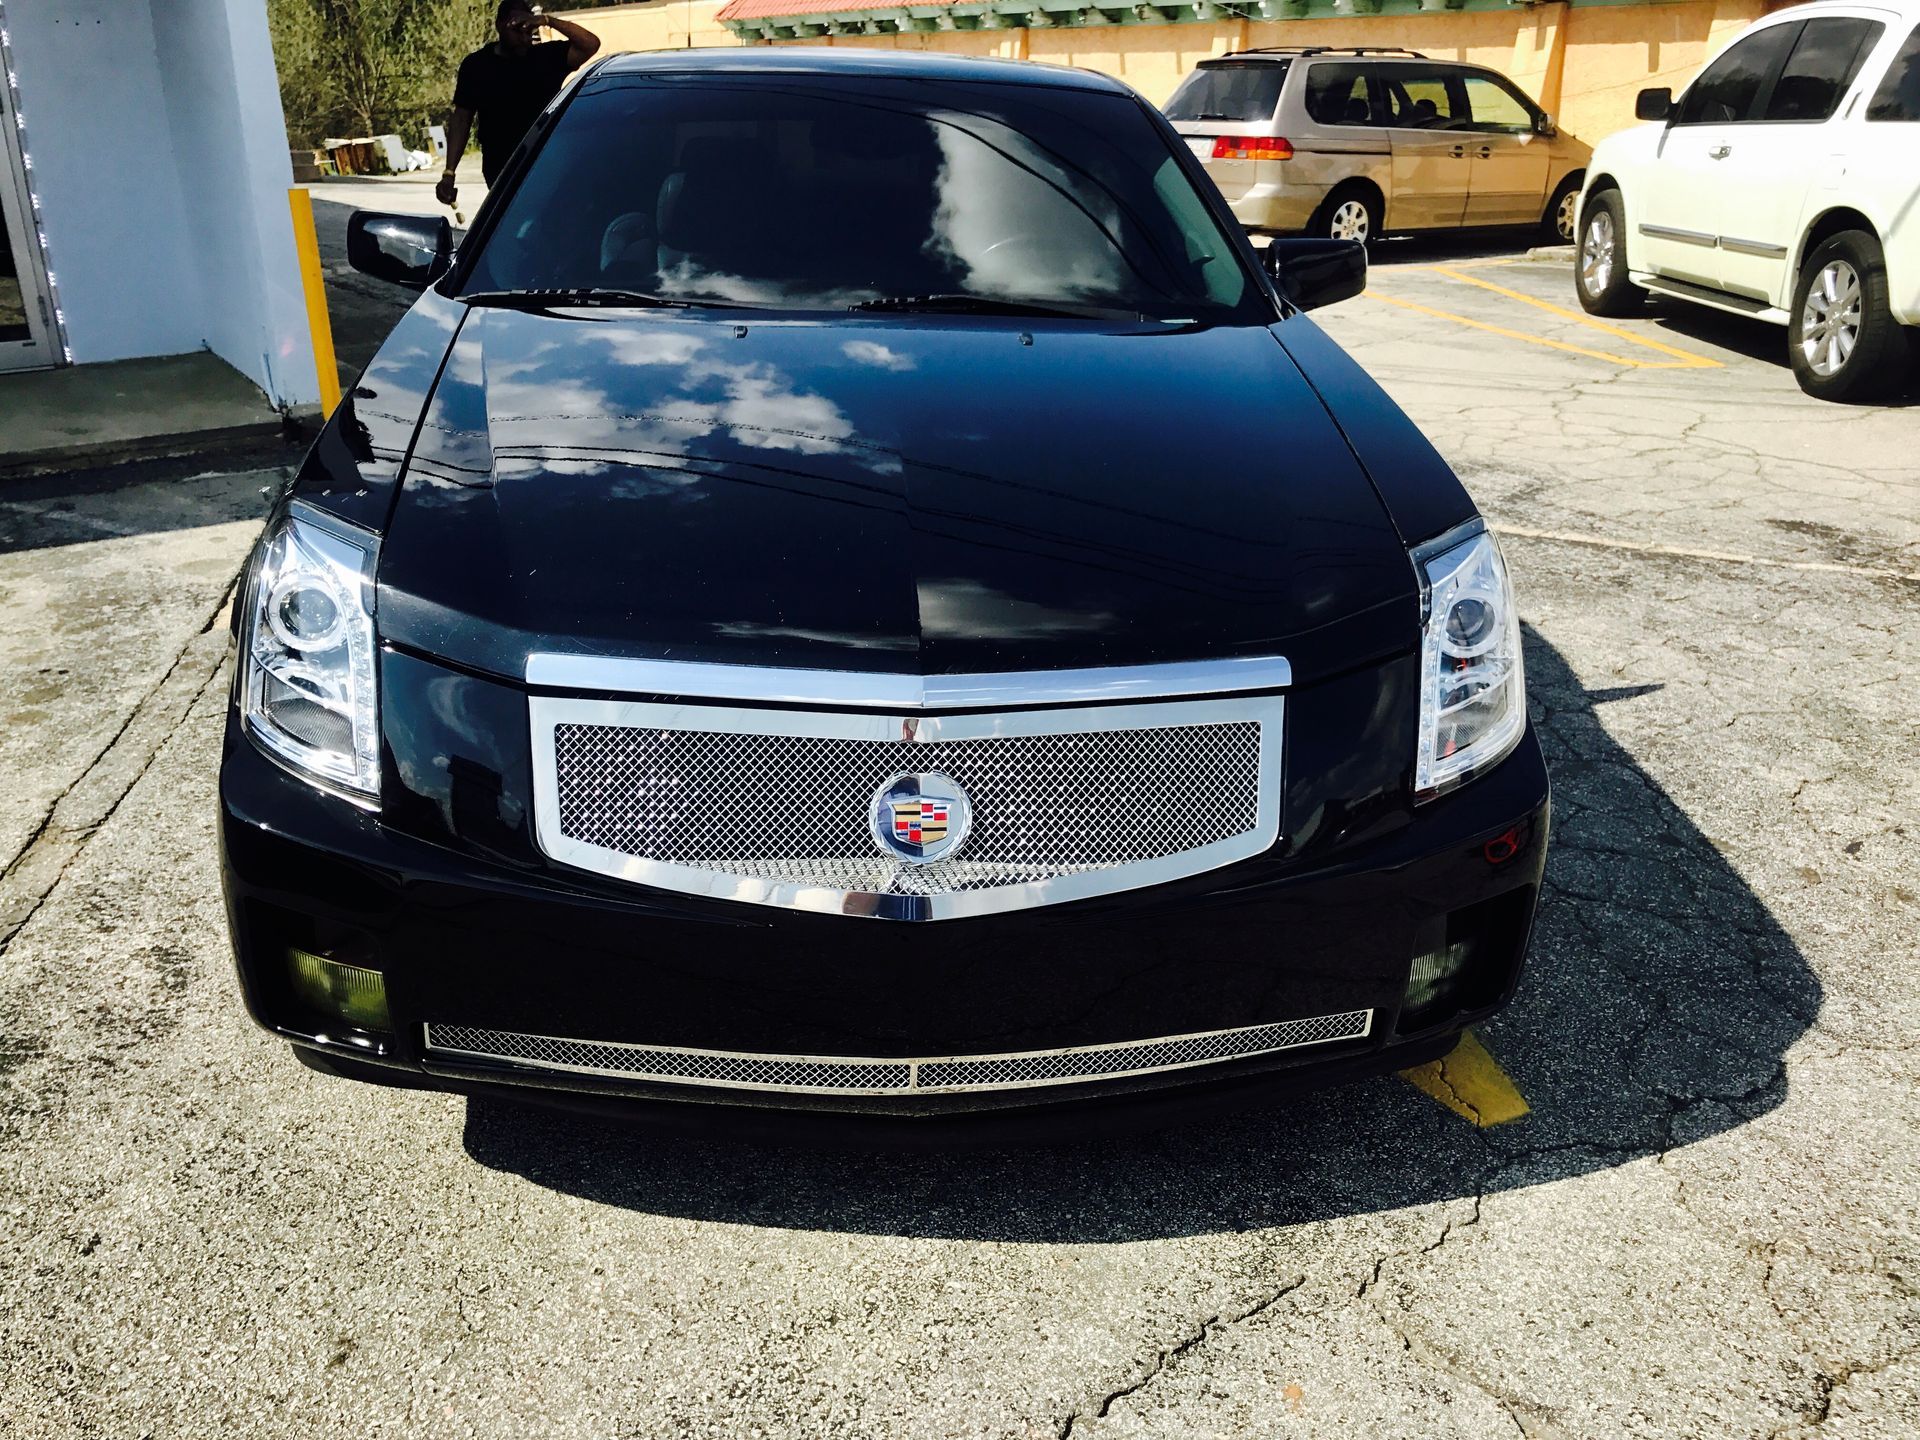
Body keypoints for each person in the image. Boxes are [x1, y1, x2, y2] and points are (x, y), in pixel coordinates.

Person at [436, 2, 599, 207]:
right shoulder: (477, 66)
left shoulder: (547, 57)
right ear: (499, 25)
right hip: (502, 167)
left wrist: (547, 21)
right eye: (516, 30)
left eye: (529, 31)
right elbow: (461, 119)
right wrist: (449, 172)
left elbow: (590, 44)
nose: (524, 38)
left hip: (549, 161)